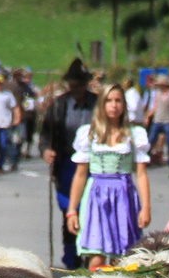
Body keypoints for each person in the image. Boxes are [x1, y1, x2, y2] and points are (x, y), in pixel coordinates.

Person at [65, 85, 152, 267]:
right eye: (109, 101)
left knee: (121, 258)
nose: (114, 105)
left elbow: (141, 175)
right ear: (102, 104)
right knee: (96, 256)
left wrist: (146, 207)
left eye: (118, 100)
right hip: (96, 195)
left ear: (124, 104)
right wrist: (72, 210)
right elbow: (80, 175)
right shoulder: (89, 134)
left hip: (123, 195)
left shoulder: (134, 134)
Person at [41, 59, 99, 268]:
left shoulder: (98, 104)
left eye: (80, 85)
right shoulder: (58, 105)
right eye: (73, 85)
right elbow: (46, 134)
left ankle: (92, 254)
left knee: (92, 210)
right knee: (70, 210)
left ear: (87, 85)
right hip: (67, 165)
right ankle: (71, 256)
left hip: (94, 165)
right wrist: (46, 150)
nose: (76, 90)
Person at [146, 74, 169, 164]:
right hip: (157, 120)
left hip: (168, 120)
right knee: (151, 139)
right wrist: (148, 116)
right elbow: (154, 107)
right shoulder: (157, 95)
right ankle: (147, 156)